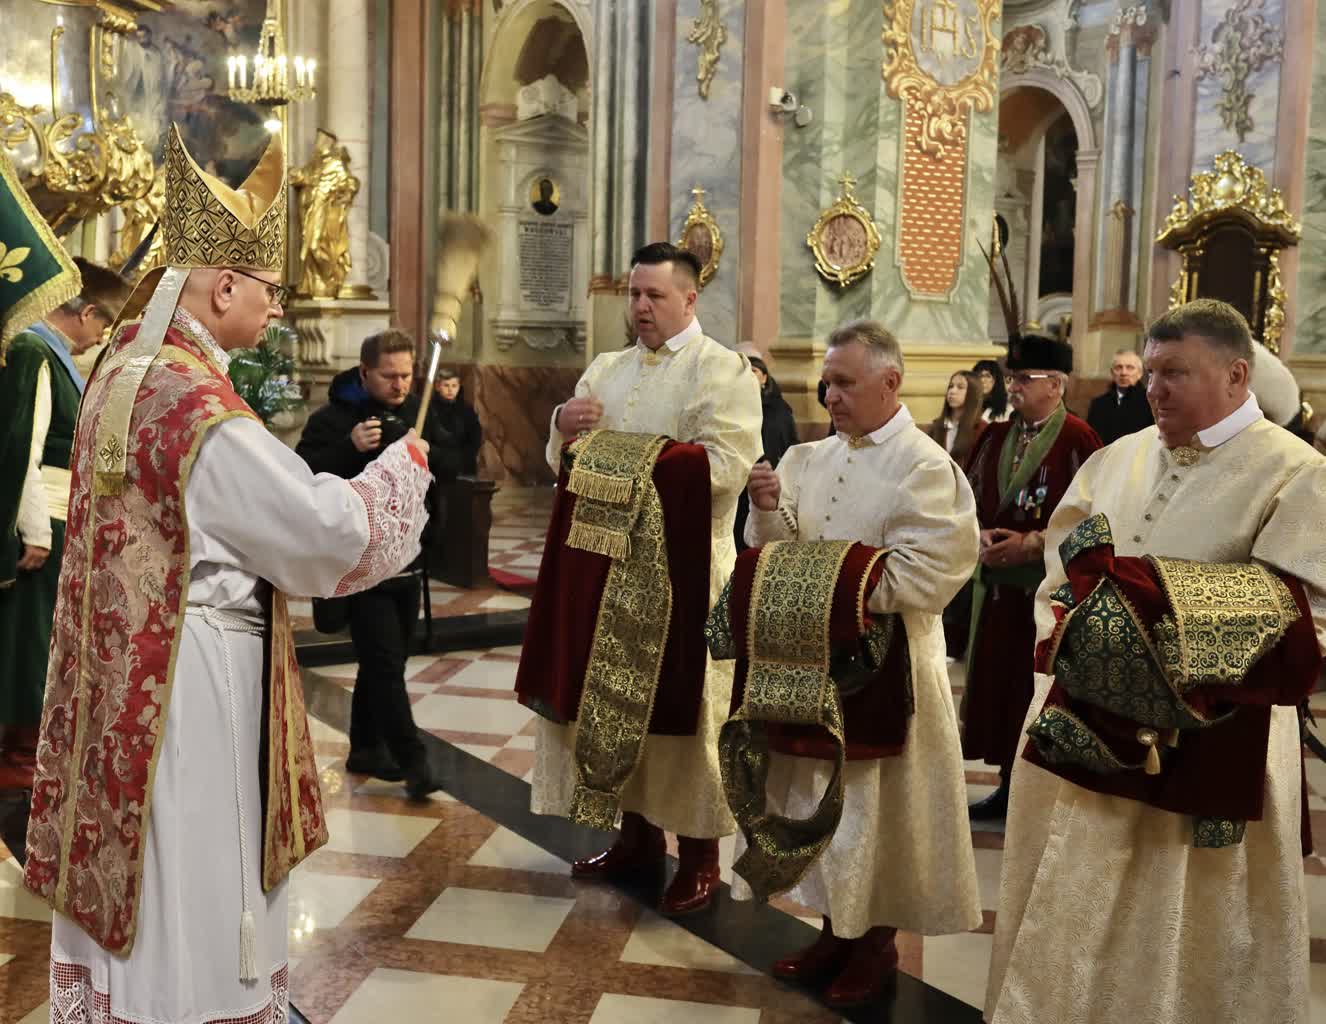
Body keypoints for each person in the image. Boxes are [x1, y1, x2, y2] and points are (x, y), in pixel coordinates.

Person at [23, 124, 433, 1024]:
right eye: (270, 290)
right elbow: (316, 532)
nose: (278, 308)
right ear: (222, 287)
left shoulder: (122, 369)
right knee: (196, 868)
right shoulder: (192, 402)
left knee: (135, 864)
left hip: (119, 679)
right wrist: (399, 476)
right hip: (190, 679)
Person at [986, 299, 1326, 1024]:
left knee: (1182, 915)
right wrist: (1079, 636)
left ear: (1236, 375)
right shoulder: (1119, 457)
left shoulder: (1296, 472)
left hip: (1217, 733)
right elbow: (1060, 573)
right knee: (1074, 893)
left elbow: (1309, 617)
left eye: (1176, 373)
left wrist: (1156, 644)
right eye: (1151, 372)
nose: (1154, 389)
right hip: (1088, 718)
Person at [741, 320, 982, 1006]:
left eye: (844, 383)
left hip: (891, 673)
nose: (831, 396)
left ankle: (874, 946)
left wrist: (821, 584)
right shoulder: (806, 458)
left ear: (890, 382)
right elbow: (777, 550)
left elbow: (928, 575)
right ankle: (832, 933)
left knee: (877, 816)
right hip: (814, 665)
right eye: (827, 383)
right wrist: (765, 510)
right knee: (825, 809)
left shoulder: (925, 467)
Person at [524, 241, 761, 914]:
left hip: (689, 572)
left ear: (689, 298)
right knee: (611, 701)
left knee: (688, 712)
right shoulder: (606, 368)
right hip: (605, 569)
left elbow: (726, 469)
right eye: (634, 294)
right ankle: (635, 836)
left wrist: (619, 459)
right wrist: (562, 424)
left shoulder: (722, 371)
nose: (641, 307)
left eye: (654, 295)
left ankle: (701, 855)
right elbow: (566, 461)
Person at [295, 329, 451, 791]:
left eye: (406, 375)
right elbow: (303, 477)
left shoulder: (419, 412)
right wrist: (349, 448)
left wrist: (421, 449)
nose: (400, 385)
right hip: (361, 565)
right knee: (383, 661)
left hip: (408, 561)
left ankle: (364, 746)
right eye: (389, 376)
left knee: (389, 659)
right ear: (365, 373)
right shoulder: (332, 418)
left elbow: (457, 460)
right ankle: (414, 760)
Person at [0, 259, 132, 792]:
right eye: (103, 323)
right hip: (44, 519)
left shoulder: (54, 355)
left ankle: (29, 750)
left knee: (43, 637)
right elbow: (23, 446)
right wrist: (35, 529)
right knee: (30, 640)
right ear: (86, 312)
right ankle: (17, 756)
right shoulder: (34, 350)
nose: (101, 336)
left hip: (60, 518)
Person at [962, 335, 1101, 819]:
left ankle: (1040, 793)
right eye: (1011, 378)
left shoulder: (1080, 440)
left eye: (1024, 378)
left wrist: (1031, 543)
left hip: (1049, 596)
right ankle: (1007, 783)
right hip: (997, 592)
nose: (1013, 386)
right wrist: (978, 533)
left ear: (1056, 385)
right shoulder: (995, 436)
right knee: (1000, 689)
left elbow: (1094, 520)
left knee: (1036, 690)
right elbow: (966, 498)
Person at [734, 354, 798, 550]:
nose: (749, 375)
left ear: (764, 377)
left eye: (754, 371)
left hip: (773, 474)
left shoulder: (780, 408)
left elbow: (790, 440)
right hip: (742, 478)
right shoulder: (735, 407)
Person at [1086, 347, 1153, 444]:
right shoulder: (1098, 404)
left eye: (1130, 368)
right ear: (1112, 373)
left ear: (1140, 373)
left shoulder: (1150, 402)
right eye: (1118, 367)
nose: (1123, 373)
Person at [925, 370, 986, 468]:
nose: (952, 391)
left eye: (960, 387)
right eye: (951, 386)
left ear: (973, 392)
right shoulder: (936, 427)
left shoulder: (981, 429)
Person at [429, 368, 483, 478]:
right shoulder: (429, 410)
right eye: (446, 385)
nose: (450, 390)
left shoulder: (467, 410)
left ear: (459, 387)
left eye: (454, 386)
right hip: (437, 465)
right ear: (438, 387)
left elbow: (475, 437)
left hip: (463, 464)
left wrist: (465, 456)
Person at [973, 358, 1010, 423]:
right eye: (979, 376)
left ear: (996, 380)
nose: (982, 380)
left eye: (987, 376)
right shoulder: (970, 404)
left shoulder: (1008, 408)